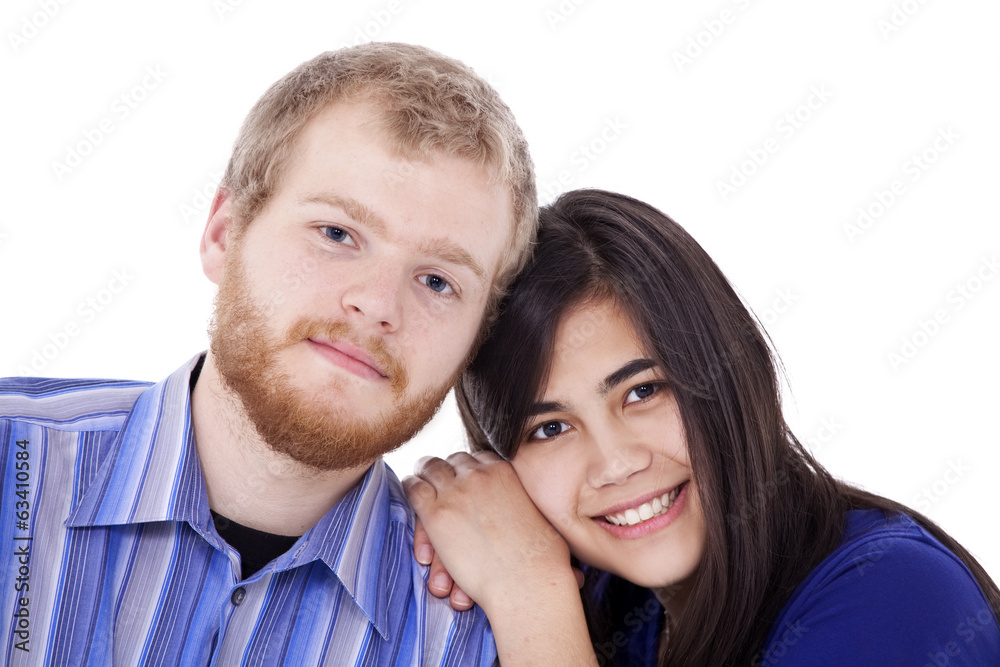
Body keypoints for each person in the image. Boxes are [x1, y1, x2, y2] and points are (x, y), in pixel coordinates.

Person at [0, 42, 536, 665]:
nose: (377, 304)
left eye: (438, 281)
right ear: (224, 234)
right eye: (337, 234)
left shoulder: (488, 634)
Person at [405, 189, 1000, 666]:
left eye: (643, 391)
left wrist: (530, 603)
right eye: (550, 429)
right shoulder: (620, 606)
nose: (615, 463)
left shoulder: (891, 598)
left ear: (729, 372)